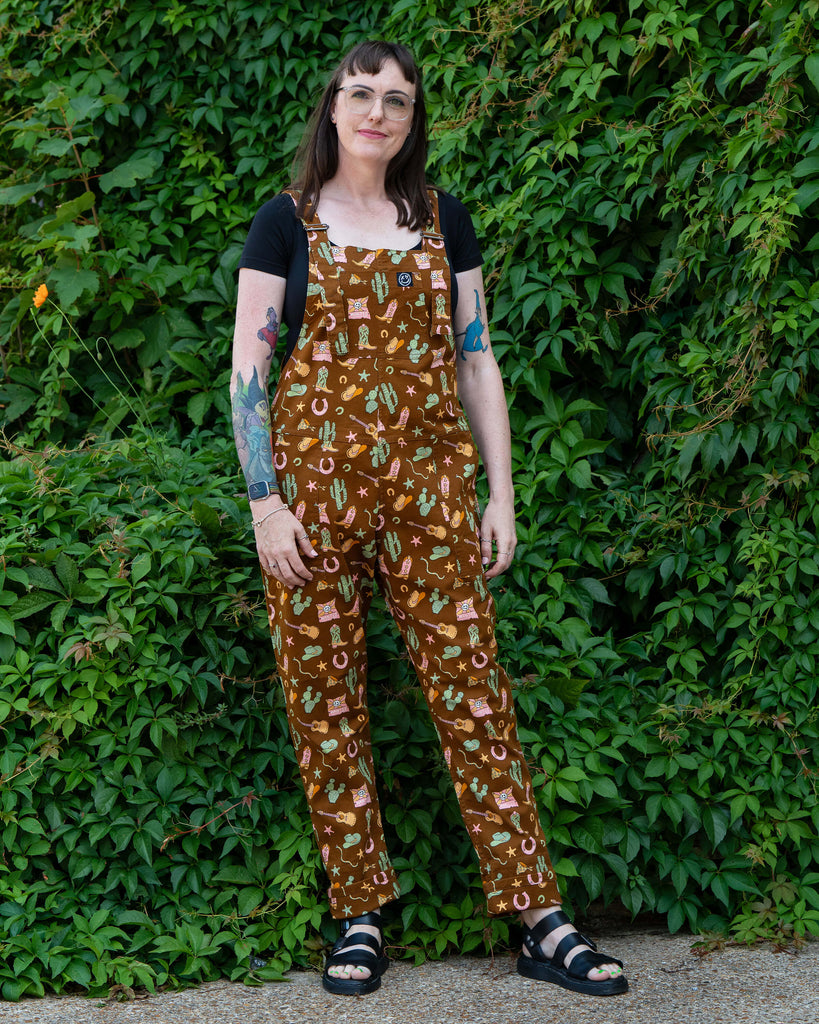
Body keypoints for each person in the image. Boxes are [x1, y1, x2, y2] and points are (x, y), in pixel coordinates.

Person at [231, 40, 627, 998]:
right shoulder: (284, 222)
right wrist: (265, 503)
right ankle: (357, 915)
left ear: (412, 120)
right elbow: (249, 366)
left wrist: (501, 492)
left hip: (434, 497)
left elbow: (475, 358)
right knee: (325, 703)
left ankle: (539, 916)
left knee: (473, 692)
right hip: (313, 502)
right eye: (361, 94)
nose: (377, 111)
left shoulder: (444, 219)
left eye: (397, 99)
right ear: (332, 108)